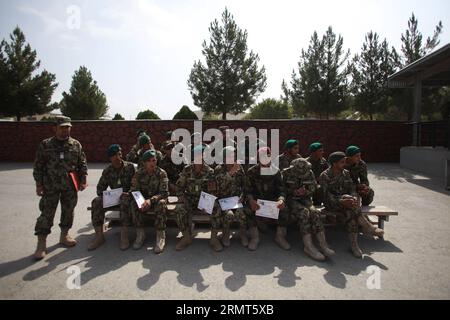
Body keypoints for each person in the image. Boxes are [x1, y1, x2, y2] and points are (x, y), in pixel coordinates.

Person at [32, 116, 87, 260]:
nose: (65, 130)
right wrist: (39, 184)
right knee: (46, 214)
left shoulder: (76, 144)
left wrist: (83, 180)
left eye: (68, 127)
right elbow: (38, 166)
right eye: (62, 127)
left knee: (68, 211)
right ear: (54, 128)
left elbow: (82, 163)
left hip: (70, 186)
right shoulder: (46, 145)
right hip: (50, 186)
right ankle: (41, 243)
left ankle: (64, 235)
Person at [282, 158, 334, 261]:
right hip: (290, 200)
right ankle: (308, 246)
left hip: (305, 198)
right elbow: (281, 189)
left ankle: (323, 244)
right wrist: (293, 192)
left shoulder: (309, 172)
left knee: (315, 212)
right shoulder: (285, 173)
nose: (301, 172)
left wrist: (305, 192)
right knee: (304, 213)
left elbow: (314, 187)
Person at [319, 152, 367, 258]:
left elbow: (352, 189)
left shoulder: (346, 173)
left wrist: (353, 198)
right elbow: (326, 197)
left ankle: (354, 245)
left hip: (347, 203)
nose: (345, 164)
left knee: (351, 214)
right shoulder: (325, 175)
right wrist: (341, 201)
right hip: (332, 204)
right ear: (334, 163)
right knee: (350, 206)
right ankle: (366, 226)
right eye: (342, 162)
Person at [88, 144, 136, 251]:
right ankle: (99, 236)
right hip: (114, 198)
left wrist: (129, 192)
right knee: (96, 201)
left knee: (124, 200)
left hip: (129, 197)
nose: (118, 157)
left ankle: (124, 235)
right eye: (115, 155)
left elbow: (136, 185)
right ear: (110, 158)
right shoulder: (107, 171)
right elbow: (100, 189)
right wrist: (109, 196)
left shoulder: (130, 167)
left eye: (119, 154)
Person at [175, 145, 217, 251]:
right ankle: (186, 237)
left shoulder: (210, 171)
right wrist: (180, 196)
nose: (200, 158)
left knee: (217, 208)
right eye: (197, 156)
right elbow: (179, 186)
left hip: (204, 200)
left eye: (202, 155)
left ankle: (214, 238)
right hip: (189, 199)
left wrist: (207, 203)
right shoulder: (187, 169)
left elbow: (212, 191)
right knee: (179, 209)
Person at [246, 147, 286, 251]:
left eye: (268, 156)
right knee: (247, 209)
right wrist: (251, 200)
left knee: (285, 209)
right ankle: (255, 237)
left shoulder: (276, 171)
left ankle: (280, 236)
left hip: (272, 202)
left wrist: (281, 200)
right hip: (257, 202)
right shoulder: (252, 171)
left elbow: (281, 190)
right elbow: (247, 190)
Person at [129, 150, 169, 254]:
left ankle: (160, 237)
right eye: (150, 161)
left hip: (157, 200)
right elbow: (134, 190)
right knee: (133, 204)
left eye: (154, 160)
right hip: (143, 200)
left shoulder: (161, 173)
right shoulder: (138, 174)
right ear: (144, 163)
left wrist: (151, 201)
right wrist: (141, 202)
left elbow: (164, 193)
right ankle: (140, 234)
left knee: (161, 204)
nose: (153, 163)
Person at [344, 145, 384, 237]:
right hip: (346, 188)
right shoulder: (342, 163)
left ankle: (363, 211)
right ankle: (363, 220)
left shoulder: (361, 164)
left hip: (356, 186)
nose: (359, 158)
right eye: (357, 156)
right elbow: (343, 181)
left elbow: (364, 180)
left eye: (360, 155)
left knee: (369, 192)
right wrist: (356, 187)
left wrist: (364, 187)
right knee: (354, 198)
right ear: (349, 157)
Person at [214, 147, 247, 249]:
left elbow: (244, 184)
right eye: (230, 155)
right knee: (229, 215)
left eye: (233, 155)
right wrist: (231, 173)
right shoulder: (219, 169)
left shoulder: (239, 167)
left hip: (236, 200)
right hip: (223, 200)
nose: (232, 157)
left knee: (241, 214)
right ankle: (225, 234)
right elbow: (219, 186)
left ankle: (242, 234)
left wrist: (242, 196)